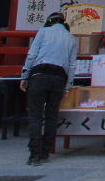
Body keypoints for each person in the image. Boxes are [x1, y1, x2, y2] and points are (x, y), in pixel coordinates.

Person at [20, 11, 78, 166]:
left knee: (35, 116)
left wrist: (25, 76)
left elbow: (32, 55)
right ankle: (45, 152)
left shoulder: (43, 32)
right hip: (59, 78)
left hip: (39, 74)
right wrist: (68, 86)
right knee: (52, 115)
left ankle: (34, 155)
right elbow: (72, 65)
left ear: (49, 22)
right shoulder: (71, 38)